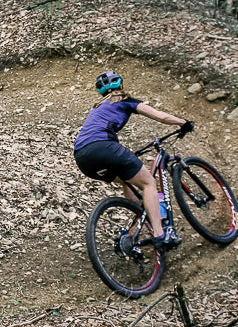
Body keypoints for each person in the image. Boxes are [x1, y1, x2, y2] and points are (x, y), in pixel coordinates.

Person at [74, 70, 193, 249]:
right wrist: (183, 123)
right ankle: (161, 235)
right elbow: (161, 116)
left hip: (82, 157)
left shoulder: (98, 107)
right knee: (148, 183)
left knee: (127, 181)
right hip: (104, 147)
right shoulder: (125, 100)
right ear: (120, 85)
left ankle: (132, 234)